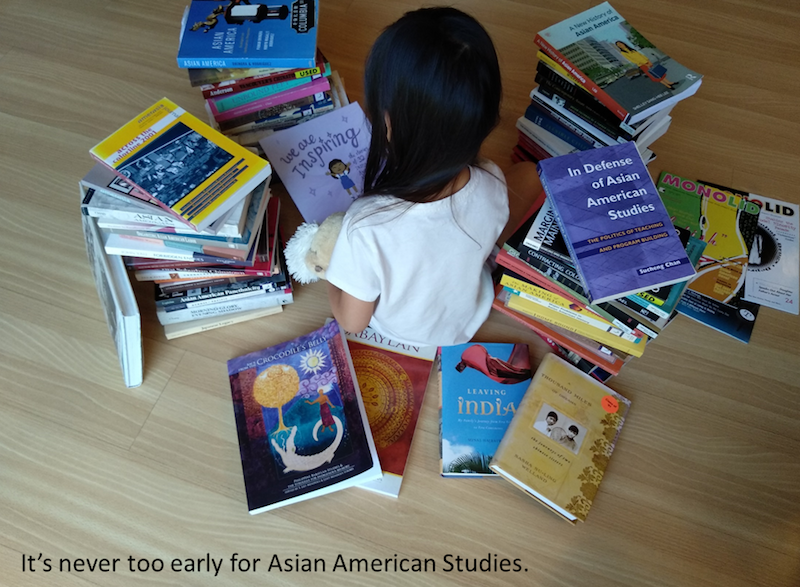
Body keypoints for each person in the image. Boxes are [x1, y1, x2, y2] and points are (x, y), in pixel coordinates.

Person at [325, 7, 509, 346]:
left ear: (389, 123)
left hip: (403, 333)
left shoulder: (365, 225)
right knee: (526, 173)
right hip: (470, 313)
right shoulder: (493, 180)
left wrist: (330, 274)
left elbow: (352, 322)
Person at [614, 41, 678, 90]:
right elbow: (632, 60)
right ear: (618, 47)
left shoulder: (631, 49)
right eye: (618, 45)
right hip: (642, 65)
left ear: (623, 43)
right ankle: (668, 86)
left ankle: (669, 82)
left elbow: (641, 55)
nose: (620, 45)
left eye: (620, 43)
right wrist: (644, 63)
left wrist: (648, 61)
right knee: (654, 75)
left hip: (647, 62)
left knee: (658, 72)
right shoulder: (623, 53)